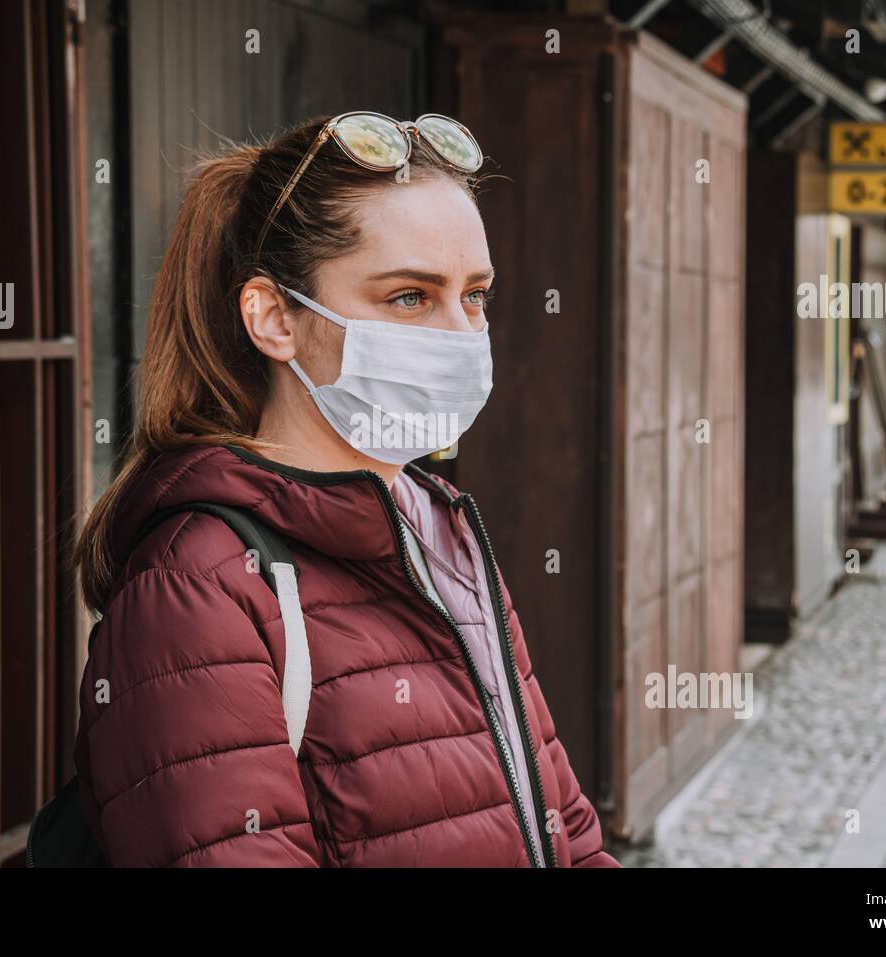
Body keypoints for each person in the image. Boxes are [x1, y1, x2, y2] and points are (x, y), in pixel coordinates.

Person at [73, 112, 619, 867]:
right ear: (274, 320)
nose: (462, 335)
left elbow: (565, 825)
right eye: (409, 297)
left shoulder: (440, 525)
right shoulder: (197, 587)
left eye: (476, 296)